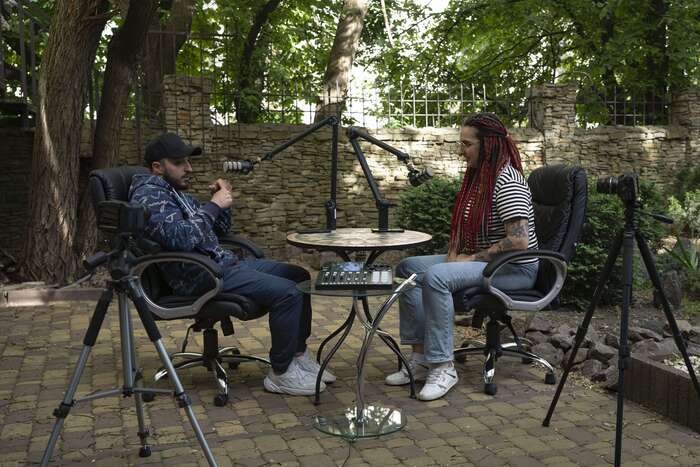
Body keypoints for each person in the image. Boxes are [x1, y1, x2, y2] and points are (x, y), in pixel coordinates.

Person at [129, 132, 335, 396]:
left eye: (188, 162)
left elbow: (218, 228)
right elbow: (180, 238)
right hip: (200, 275)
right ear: (157, 167)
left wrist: (221, 202)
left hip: (222, 264)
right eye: (179, 163)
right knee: (288, 293)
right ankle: (281, 373)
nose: (189, 168)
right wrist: (213, 206)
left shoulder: (174, 193)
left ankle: (298, 356)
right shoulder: (148, 196)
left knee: (298, 276)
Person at [385, 112, 539, 401]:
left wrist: (470, 259)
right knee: (409, 268)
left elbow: (519, 241)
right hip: (487, 262)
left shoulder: (507, 181)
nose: (461, 150)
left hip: (513, 269)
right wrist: (454, 253)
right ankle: (421, 359)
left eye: (467, 144)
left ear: (488, 145)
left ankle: (443, 366)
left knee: (436, 277)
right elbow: (465, 224)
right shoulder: (479, 178)